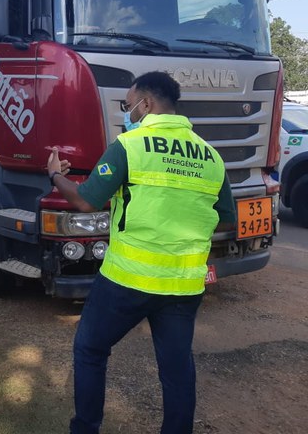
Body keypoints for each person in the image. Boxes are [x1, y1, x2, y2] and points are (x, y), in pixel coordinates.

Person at [46, 71, 235, 434]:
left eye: (128, 104)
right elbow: (226, 221)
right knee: (177, 370)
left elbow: (85, 201)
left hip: (126, 280)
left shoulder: (130, 146)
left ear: (146, 103)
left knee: (90, 350)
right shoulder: (211, 156)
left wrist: (55, 175)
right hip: (183, 285)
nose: (128, 111)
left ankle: (85, 429)